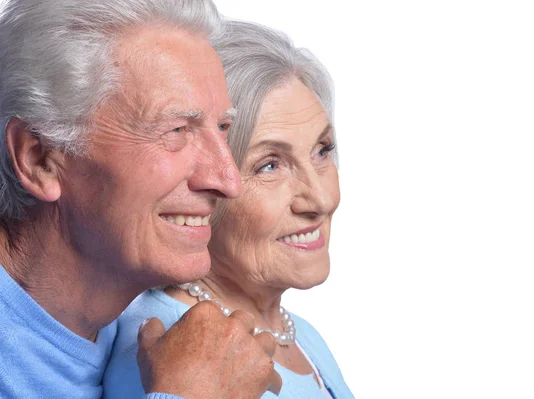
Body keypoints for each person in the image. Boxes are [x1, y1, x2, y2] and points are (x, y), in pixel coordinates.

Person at [0, 1, 281, 398]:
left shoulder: (151, 323)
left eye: (222, 127)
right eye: (177, 129)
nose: (228, 180)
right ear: (40, 158)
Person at [104, 20, 354, 399]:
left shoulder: (299, 334)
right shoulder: (161, 356)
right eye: (269, 165)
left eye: (322, 151)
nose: (320, 199)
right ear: (206, 185)